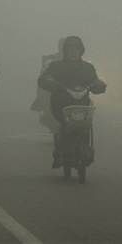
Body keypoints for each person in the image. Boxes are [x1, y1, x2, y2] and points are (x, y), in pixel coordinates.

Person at [37, 36, 106, 168]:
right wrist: (51, 83)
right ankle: (60, 148)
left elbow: (95, 80)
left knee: (87, 125)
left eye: (76, 49)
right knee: (62, 125)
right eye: (70, 49)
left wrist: (99, 85)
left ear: (81, 51)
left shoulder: (88, 67)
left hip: (83, 105)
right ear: (65, 51)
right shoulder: (56, 66)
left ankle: (86, 148)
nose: (73, 52)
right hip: (61, 105)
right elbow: (45, 78)